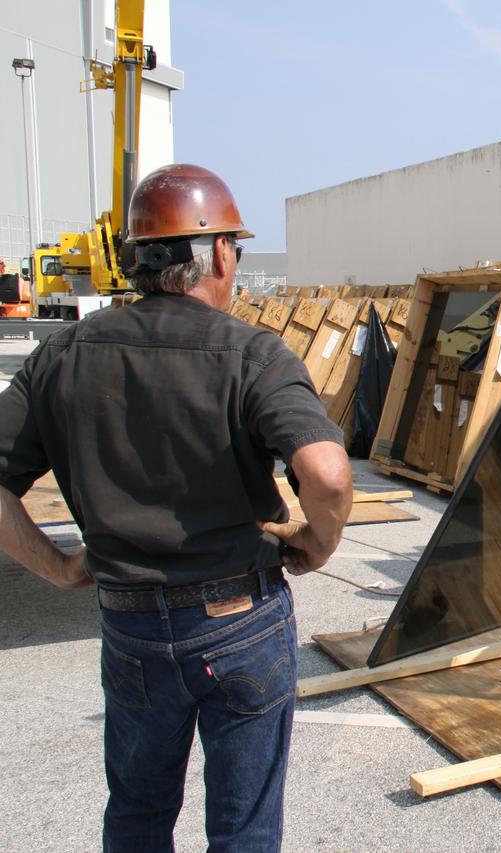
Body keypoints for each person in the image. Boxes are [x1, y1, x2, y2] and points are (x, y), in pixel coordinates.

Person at [0, 163, 353, 850]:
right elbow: (330, 474)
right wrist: (318, 541)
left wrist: (57, 567)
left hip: (130, 624)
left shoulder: (62, 355)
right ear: (219, 252)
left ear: (136, 260)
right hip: (240, 620)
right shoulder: (253, 353)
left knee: (136, 813)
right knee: (243, 827)